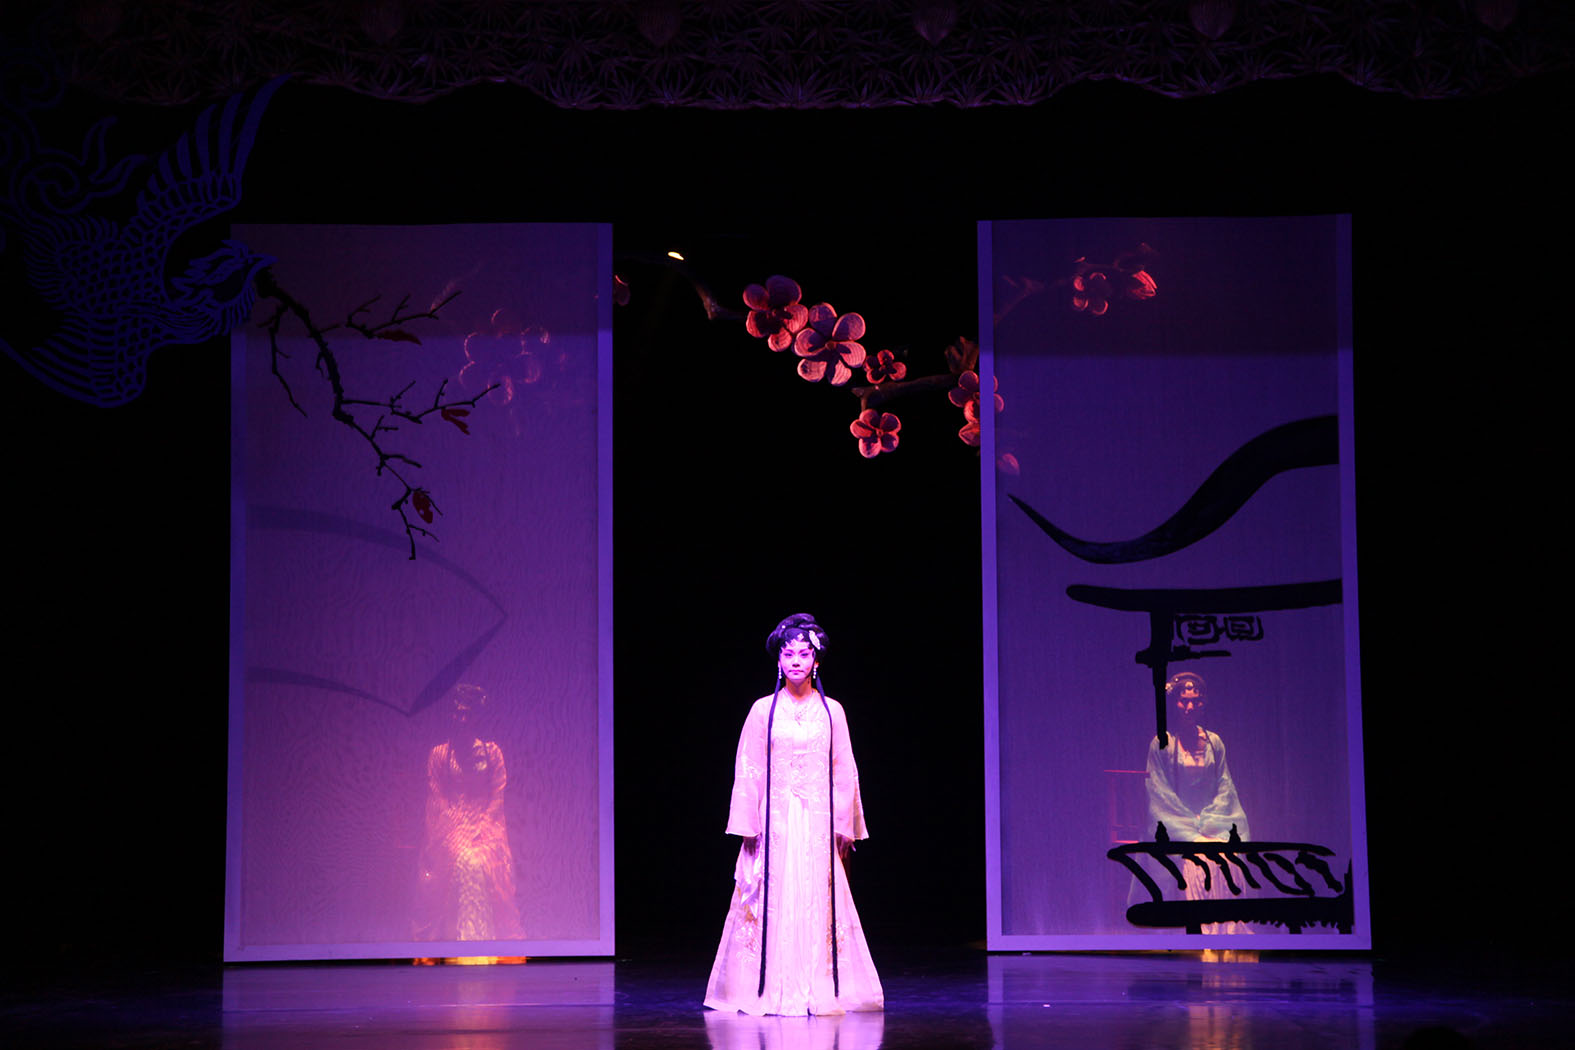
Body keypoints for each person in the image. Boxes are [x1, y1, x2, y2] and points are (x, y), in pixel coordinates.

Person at [704, 614, 884, 1015]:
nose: (797, 661)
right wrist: (747, 823)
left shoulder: (832, 711)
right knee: (772, 894)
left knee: (818, 896)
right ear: (779, 660)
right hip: (776, 820)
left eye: (804, 654)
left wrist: (845, 823)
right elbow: (749, 766)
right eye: (789, 654)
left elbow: (844, 768)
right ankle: (769, 985)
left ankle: (819, 983)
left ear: (816, 660)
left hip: (818, 820)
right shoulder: (762, 710)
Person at [414, 683, 523, 942]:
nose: (461, 719)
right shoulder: (439, 755)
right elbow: (437, 799)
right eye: (457, 713)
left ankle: (482, 939)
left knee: (482, 862)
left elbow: (497, 798)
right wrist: (456, 830)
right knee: (457, 858)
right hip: (449, 827)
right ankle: (452, 940)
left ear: (477, 717)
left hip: (487, 827)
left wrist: (480, 828)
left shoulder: (492, 753)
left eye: (467, 714)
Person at [1145, 670, 1251, 934]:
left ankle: (1227, 928)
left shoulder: (1214, 743)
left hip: (1214, 821)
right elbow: (1159, 793)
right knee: (1196, 858)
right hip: (1174, 823)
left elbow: (1225, 787)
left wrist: (1210, 820)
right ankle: (1199, 928)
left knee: (1228, 855)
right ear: (1174, 703)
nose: (1189, 707)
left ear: (1203, 704)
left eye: (1195, 701)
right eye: (1183, 701)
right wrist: (1190, 827)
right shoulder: (1161, 744)